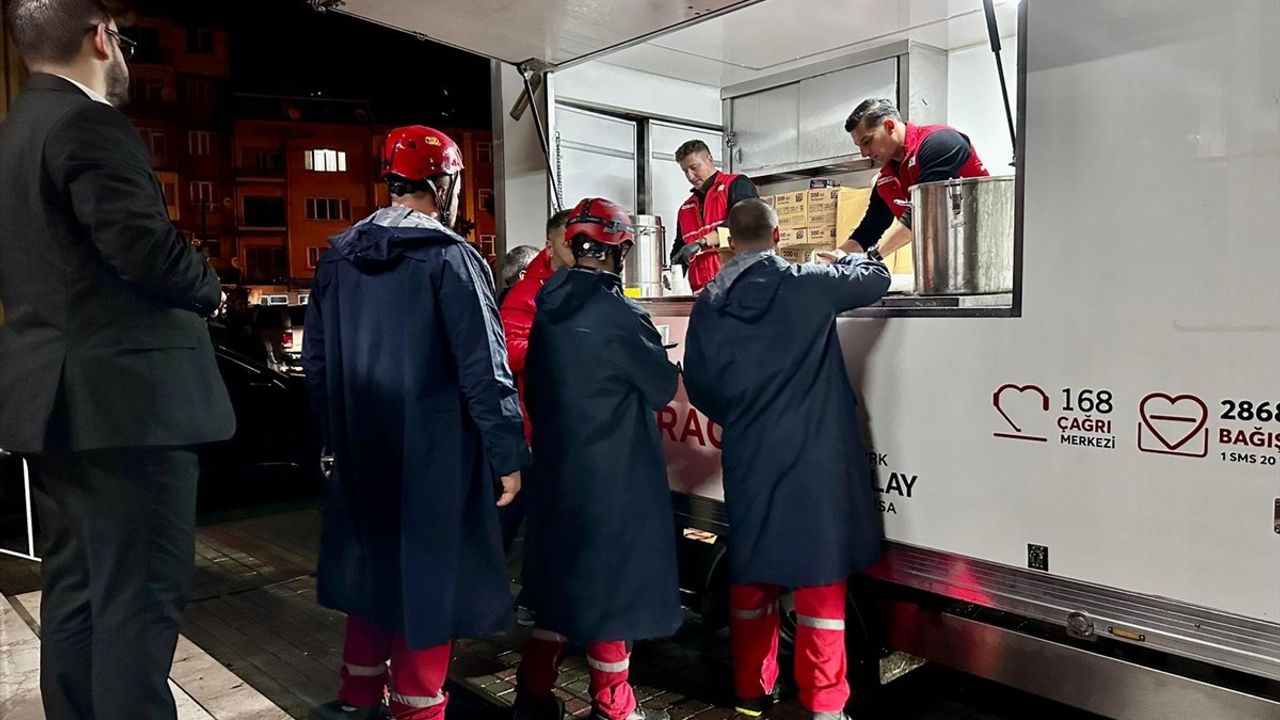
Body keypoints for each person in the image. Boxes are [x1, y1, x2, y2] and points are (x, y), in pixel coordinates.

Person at [0, 2, 235, 718]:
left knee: (79, 590)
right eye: (122, 40)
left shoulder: (14, 135)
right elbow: (141, 246)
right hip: (128, 405)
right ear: (100, 37)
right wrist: (209, 288)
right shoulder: (89, 124)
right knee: (138, 600)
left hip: (56, 402)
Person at [302, 125, 529, 720]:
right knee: (429, 586)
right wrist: (507, 454)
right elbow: (486, 368)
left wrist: (334, 439)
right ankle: (418, 710)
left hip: (360, 453)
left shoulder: (337, 258)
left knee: (372, 579)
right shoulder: (452, 260)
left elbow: (318, 366)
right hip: (435, 460)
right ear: (443, 183)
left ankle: (355, 700)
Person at [681, 199, 890, 720]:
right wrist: (844, 260)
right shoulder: (805, 283)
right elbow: (876, 279)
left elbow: (700, 384)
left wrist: (743, 412)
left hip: (751, 451)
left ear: (730, 242)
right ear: (777, 238)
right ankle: (825, 704)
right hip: (815, 453)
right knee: (819, 580)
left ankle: (751, 694)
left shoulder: (710, 302)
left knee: (753, 574)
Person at [512, 198, 680, 720]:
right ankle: (614, 704)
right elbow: (660, 388)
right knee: (612, 591)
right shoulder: (620, 315)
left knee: (559, 586)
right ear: (621, 250)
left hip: (559, 468)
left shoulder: (546, 307)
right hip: (614, 476)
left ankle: (533, 693)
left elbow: (535, 389)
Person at [497, 210, 573, 626]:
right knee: (520, 514)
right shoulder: (527, 291)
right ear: (553, 243)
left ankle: (535, 595)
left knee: (547, 518)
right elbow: (510, 352)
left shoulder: (581, 283)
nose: (579, 248)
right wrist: (561, 349)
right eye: (570, 241)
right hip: (533, 429)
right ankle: (486, 591)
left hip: (565, 429)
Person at [835, 98, 989, 260]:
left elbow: (924, 213)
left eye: (867, 142)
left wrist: (873, 257)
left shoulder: (940, 143)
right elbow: (870, 229)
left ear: (889, 126)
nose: (864, 153)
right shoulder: (887, 177)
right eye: (859, 146)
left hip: (984, 253)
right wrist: (837, 256)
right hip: (943, 262)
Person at [669, 140, 759, 293]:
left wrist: (701, 242)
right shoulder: (685, 209)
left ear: (709, 160)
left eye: (694, 167)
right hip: (702, 295)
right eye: (685, 171)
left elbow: (743, 223)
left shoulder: (736, 184)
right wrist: (670, 273)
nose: (690, 176)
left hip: (739, 288)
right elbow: (680, 250)